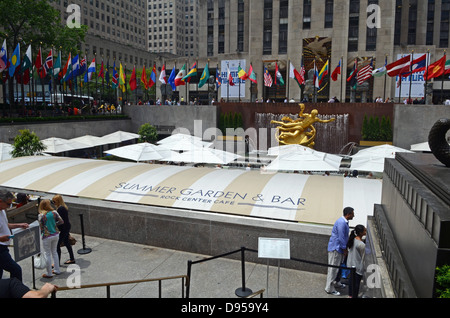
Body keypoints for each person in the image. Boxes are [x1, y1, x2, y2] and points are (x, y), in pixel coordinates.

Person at [0, 189, 29, 282]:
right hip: (0, 248)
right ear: (0, 201)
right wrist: (1, 238)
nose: (9, 207)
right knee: (16, 269)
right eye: (8, 204)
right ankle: (17, 291)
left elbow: (5, 225)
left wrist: (19, 225)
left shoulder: (2, 211)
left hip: (4, 247)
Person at [325, 207, 355, 296]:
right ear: (349, 214)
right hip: (336, 249)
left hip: (338, 248)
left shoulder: (343, 222)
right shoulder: (342, 223)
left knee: (336, 268)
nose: (354, 215)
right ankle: (329, 288)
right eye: (353, 213)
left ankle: (336, 282)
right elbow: (342, 238)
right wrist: (345, 249)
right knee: (333, 269)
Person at [38, 199, 64, 278]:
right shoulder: (54, 212)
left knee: (47, 254)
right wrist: (54, 224)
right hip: (55, 234)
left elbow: (40, 226)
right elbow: (61, 221)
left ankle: (49, 273)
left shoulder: (41, 215)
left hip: (46, 235)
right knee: (54, 252)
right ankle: (57, 270)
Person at [52, 195, 75, 265]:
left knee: (57, 245)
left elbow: (61, 221)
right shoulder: (63, 207)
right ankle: (72, 258)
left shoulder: (60, 209)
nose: (53, 203)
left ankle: (57, 263)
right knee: (67, 242)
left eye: (54, 201)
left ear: (58, 201)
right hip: (66, 227)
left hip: (63, 229)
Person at [347, 224, 366, 298]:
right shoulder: (361, 245)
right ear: (361, 233)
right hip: (358, 266)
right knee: (356, 283)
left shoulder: (353, 239)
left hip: (351, 264)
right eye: (364, 230)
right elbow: (363, 257)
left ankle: (350, 295)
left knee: (351, 280)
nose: (366, 231)